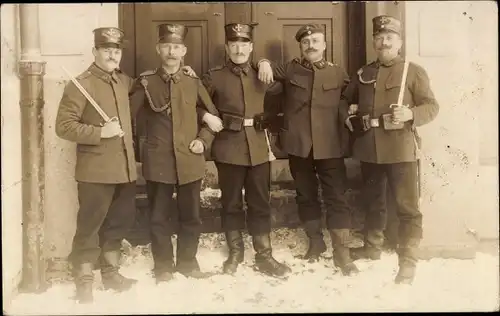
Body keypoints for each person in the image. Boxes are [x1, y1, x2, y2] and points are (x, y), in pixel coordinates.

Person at [342, 15, 439, 284]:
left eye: (390, 38)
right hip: (369, 150)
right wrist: (349, 117)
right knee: (374, 201)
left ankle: (408, 260)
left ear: (399, 42)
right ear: (374, 41)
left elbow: (432, 106)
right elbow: (344, 102)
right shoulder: (363, 74)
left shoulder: (413, 71)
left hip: (400, 150)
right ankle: (372, 246)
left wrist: (410, 113)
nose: (384, 42)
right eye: (380, 37)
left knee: (407, 207)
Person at [255, 24, 359, 276]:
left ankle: (342, 253)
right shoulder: (290, 68)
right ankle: (316, 242)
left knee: (337, 197)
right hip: (299, 145)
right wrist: (263, 61)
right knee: (305, 195)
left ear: (324, 45)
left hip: (330, 145)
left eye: (315, 40)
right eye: (306, 42)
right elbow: (257, 69)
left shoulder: (338, 73)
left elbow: (353, 97)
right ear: (300, 46)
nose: (310, 45)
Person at [129, 23, 221, 284]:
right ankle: (163, 267)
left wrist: (203, 141)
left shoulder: (193, 81)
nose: (171, 51)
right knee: (158, 216)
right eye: (166, 46)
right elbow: (129, 118)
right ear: (158, 49)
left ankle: (188, 263)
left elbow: (213, 117)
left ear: (184, 51)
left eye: (176, 47)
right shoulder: (145, 82)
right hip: (158, 160)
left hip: (190, 160)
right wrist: (140, 149)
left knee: (191, 215)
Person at [199, 23, 291, 278]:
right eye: (234, 44)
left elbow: (290, 84)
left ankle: (264, 255)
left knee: (261, 202)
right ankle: (235, 253)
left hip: (259, 147)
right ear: (227, 47)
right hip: (228, 148)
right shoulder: (213, 76)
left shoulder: (263, 73)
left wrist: (265, 62)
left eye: (244, 44)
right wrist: (206, 116)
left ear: (251, 47)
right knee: (231, 203)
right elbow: (195, 103)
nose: (239, 49)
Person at [55, 27, 138, 303]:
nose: (113, 54)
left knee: (117, 224)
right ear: (95, 52)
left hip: (124, 169)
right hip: (95, 171)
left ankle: (111, 272)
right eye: (106, 49)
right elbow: (63, 126)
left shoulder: (124, 81)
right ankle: (84, 280)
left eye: (117, 50)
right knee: (90, 226)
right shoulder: (81, 84)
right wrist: (100, 133)